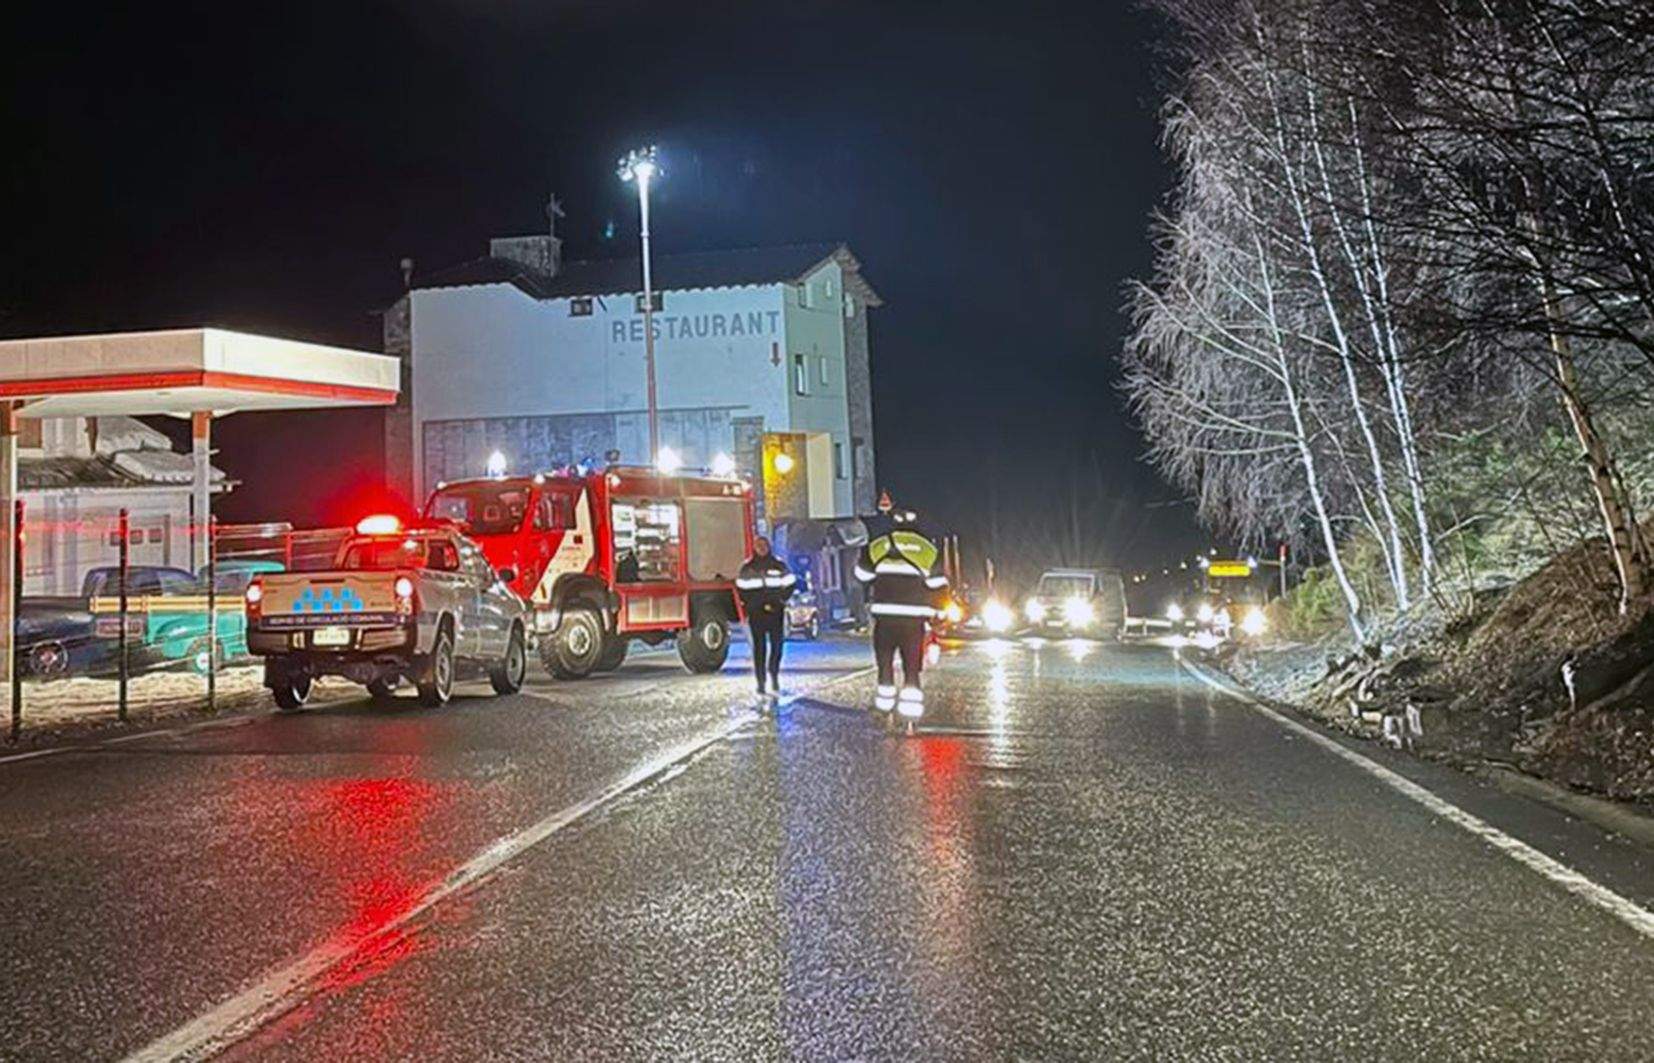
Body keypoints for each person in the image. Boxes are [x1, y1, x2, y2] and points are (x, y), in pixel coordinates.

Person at [854, 512, 948, 717]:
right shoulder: (927, 549)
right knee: (912, 665)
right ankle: (910, 709)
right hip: (914, 621)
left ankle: (885, 705)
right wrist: (939, 615)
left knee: (885, 662)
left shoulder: (879, 545)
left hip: (885, 619)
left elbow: (862, 575)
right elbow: (938, 585)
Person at [735, 537, 797, 700]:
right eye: (758, 546)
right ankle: (761, 682)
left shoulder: (779, 565)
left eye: (764, 545)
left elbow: (791, 583)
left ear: (769, 547)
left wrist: (782, 600)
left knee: (777, 646)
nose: (762, 548)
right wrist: (750, 605)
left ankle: (774, 674)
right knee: (759, 649)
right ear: (754, 548)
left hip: (776, 612)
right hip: (757, 614)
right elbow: (740, 589)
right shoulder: (747, 568)